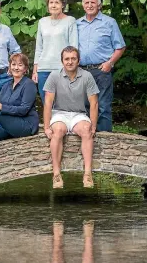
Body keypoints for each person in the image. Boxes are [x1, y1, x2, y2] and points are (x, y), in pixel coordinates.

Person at [43, 46, 99, 189]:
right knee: (58, 131)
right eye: (66, 59)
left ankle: (87, 174)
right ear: (62, 61)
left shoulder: (87, 76)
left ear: (78, 60)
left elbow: (94, 103)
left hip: (78, 114)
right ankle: (56, 174)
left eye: (73, 58)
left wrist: (93, 125)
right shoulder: (54, 76)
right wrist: (46, 126)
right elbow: (48, 102)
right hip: (59, 113)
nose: (70, 62)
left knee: (86, 131)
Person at [77, 0, 126, 132]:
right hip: (82, 71)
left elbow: (120, 47)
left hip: (101, 70)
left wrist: (110, 63)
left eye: (93, 2)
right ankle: (87, 138)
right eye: (87, 2)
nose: (90, 5)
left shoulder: (109, 22)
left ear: (99, 5)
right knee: (84, 106)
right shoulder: (77, 24)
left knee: (103, 105)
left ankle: (106, 141)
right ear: (82, 5)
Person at [33, 0, 78, 104]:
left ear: (63, 4)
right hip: (43, 69)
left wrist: (72, 69)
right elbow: (39, 47)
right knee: (47, 103)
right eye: (51, 2)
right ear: (48, 5)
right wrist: (35, 70)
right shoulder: (42, 22)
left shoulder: (70, 21)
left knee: (63, 103)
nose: (53, 5)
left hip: (62, 69)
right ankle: (49, 123)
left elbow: (74, 47)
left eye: (57, 2)